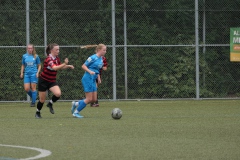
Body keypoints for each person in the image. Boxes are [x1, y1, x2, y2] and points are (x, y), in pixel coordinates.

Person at [35, 43, 74, 118]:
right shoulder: (48, 59)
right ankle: (38, 112)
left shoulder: (57, 58)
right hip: (43, 81)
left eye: (58, 49)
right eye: (57, 49)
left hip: (51, 81)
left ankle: (50, 103)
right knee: (42, 100)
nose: (58, 51)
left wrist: (67, 66)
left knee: (58, 94)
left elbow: (60, 67)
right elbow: (55, 68)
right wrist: (65, 63)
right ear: (52, 50)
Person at [71, 44, 107, 118]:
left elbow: (97, 70)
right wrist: (89, 71)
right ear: (99, 50)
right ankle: (76, 112)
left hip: (93, 79)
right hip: (87, 78)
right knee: (89, 99)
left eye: (105, 50)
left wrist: (99, 78)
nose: (105, 51)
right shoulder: (92, 57)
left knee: (94, 99)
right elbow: (83, 66)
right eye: (104, 50)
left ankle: (76, 103)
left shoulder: (101, 59)